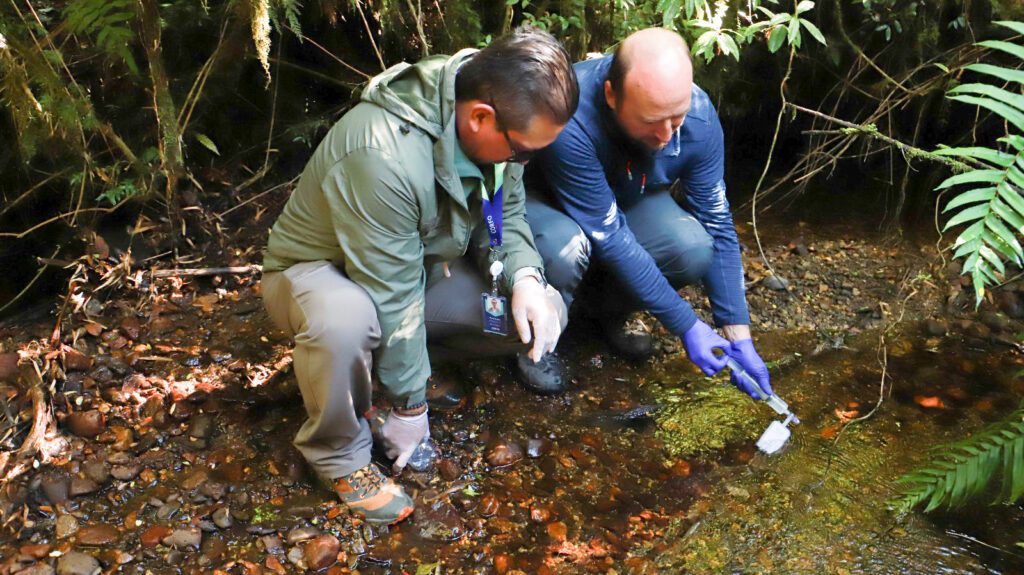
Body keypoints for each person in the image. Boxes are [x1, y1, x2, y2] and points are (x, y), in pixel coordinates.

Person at [260, 27, 578, 525]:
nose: (525, 161)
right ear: (480, 119)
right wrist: (411, 411)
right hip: (316, 275)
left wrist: (527, 281)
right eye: (523, 153)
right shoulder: (382, 153)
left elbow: (505, 217)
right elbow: (391, 292)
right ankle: (340, 454)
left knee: (537, 316)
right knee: (347, 320)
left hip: (415, 267)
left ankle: (391, 381)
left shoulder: (498, 122)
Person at [524, 27, 773, 400]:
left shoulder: (698, 117)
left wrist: (738, 333)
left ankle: (603, 315)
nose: (666, 135)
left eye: (677, 118)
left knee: (690, 247)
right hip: (545, 201)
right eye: (650, 120)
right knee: (566, 247)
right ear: (611, 94)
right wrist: (686, 324)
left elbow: (717, 222)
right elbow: (610, 235)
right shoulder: (569, 113)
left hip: (623, 193)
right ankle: (532, 339)